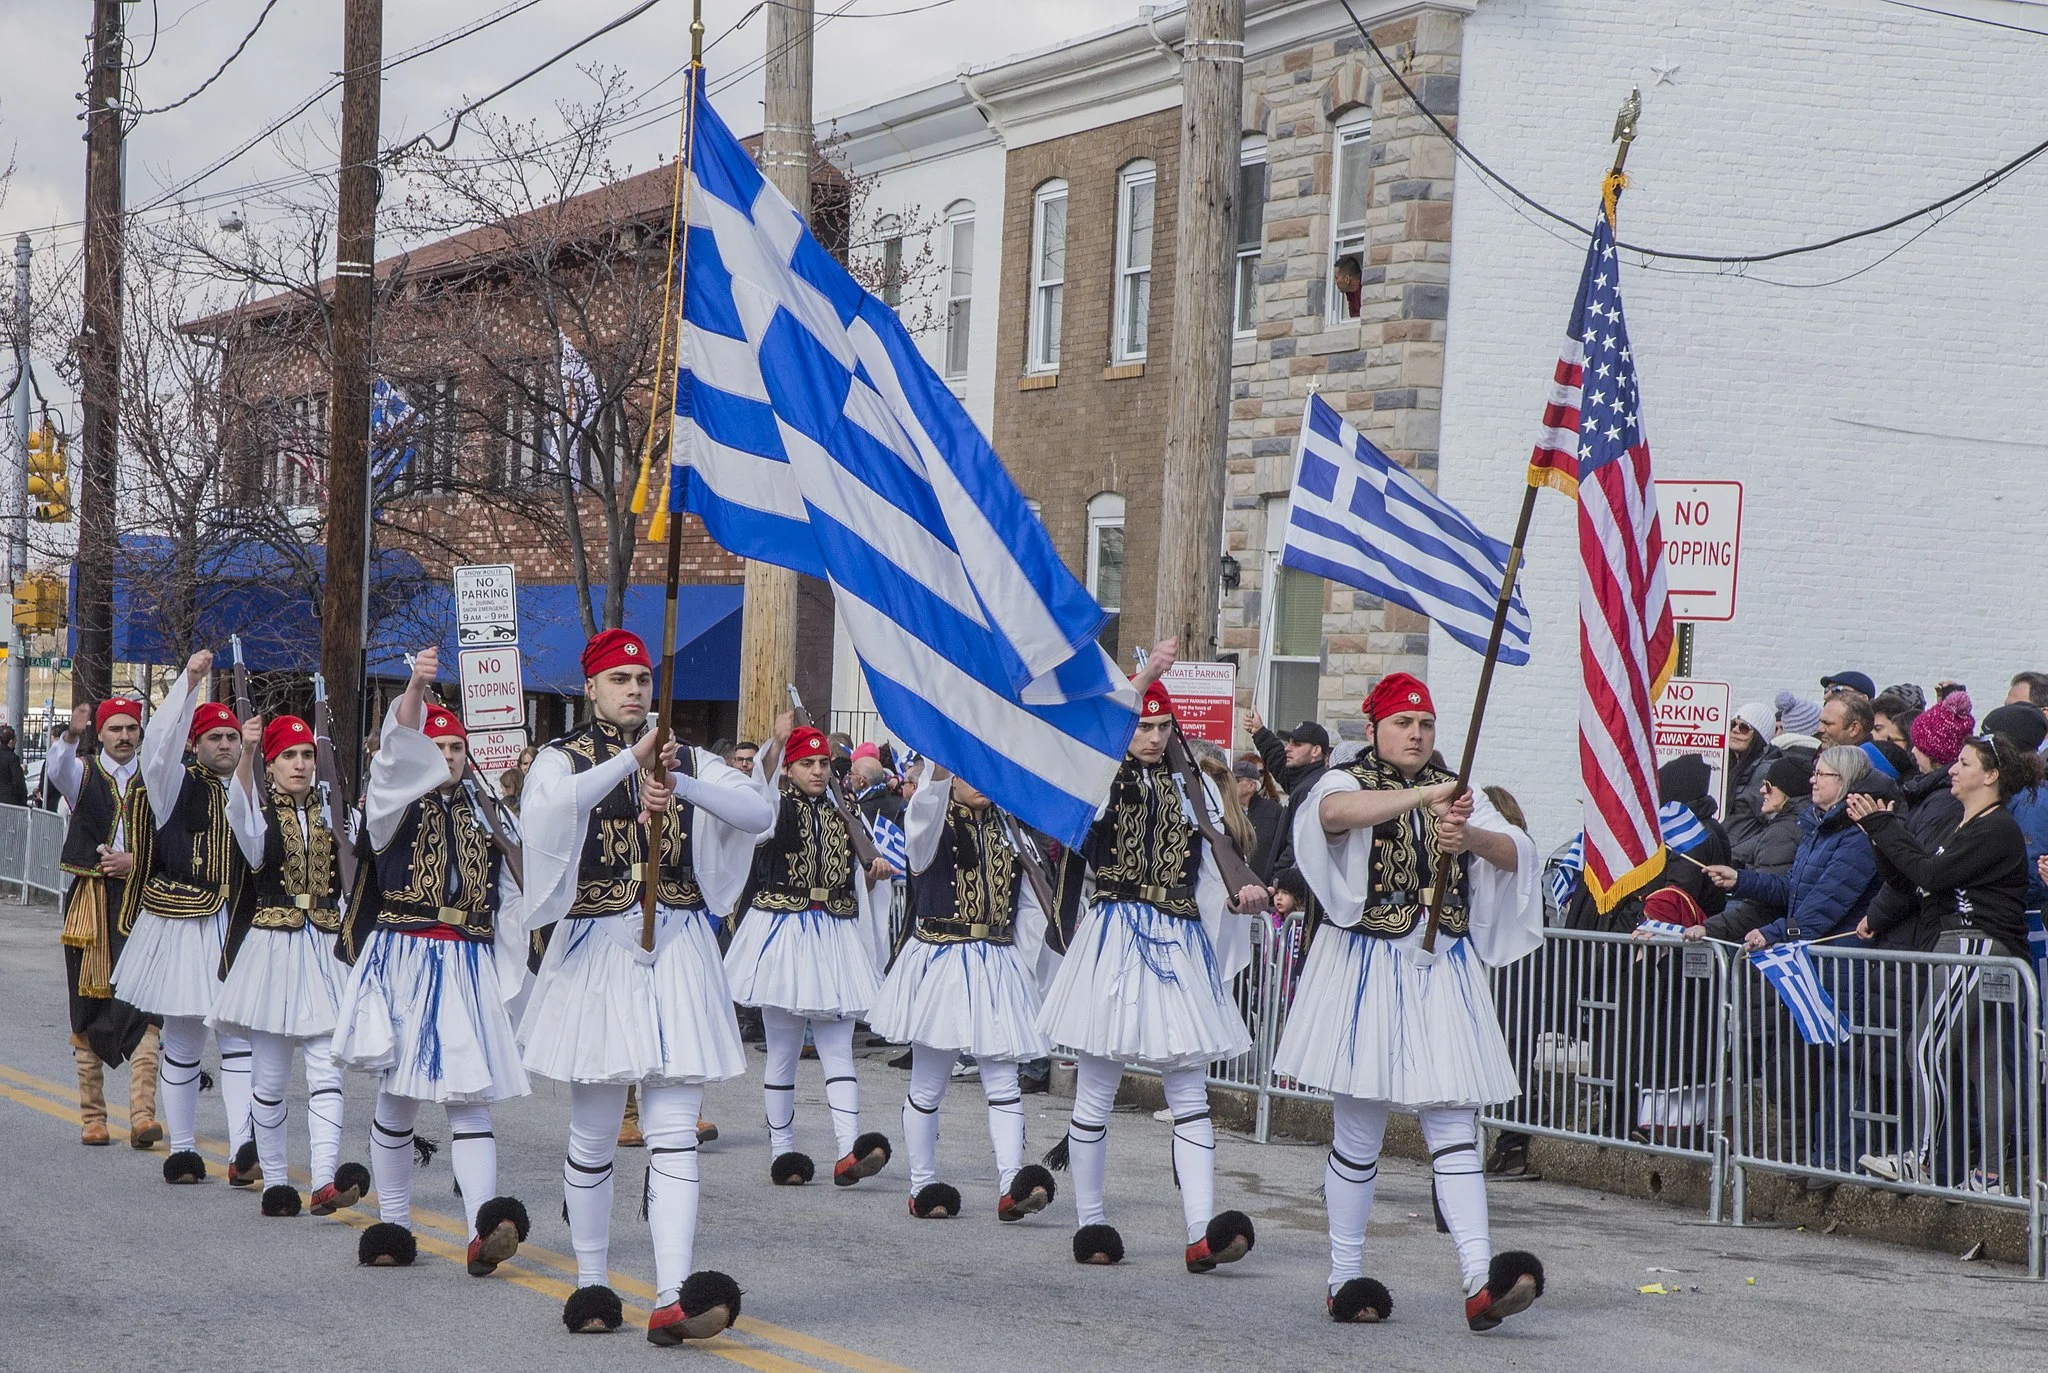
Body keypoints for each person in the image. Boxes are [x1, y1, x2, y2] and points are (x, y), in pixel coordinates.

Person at [516, 629, 768, 1343]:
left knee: (673, 1135)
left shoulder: (690, 758)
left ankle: (672, 1294)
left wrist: (679, 780)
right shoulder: (561, 759)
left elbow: (759, 812)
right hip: (598, 948)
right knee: (595, 1131)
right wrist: (629, 759)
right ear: (591, 687)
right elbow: (544, 811)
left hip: (680, 946)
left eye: (641, 678)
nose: (633, 688)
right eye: (618, 678)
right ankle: (592, 1281)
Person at [1276, 672, 1544, 1330]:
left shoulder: (1459, 792)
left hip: (1441, 963)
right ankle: (1344, 1274)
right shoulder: (1347, 776)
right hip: (1367, 958)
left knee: (1455, 1120)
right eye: (1403, 723)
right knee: (1359, 1129)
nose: (1417, 734)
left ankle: (1480, 1277)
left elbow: (1519, 850)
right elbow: (1333, 817)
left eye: (1425, 724)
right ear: (1375, 729)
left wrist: (1470, 837)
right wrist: (1426, 794)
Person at [1038, 640, 1266, 1275]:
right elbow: (1088, 740)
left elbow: (1214, 860)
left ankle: (1201, 1230)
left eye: (1164, 726)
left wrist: (1241, 891)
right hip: (1115, 930)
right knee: (1097, 1090)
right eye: (1144, 724)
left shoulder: (1191, 789)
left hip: (1177, 935)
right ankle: (1090, 1223)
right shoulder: (1100, 776)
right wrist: (1143, 681)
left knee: (1189, 1090)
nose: (1154, 735)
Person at [331, 647, 532, 1274]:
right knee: (399, 1095)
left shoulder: (483, 812)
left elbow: (523, 884)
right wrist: (417, 689)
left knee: (471, 1099)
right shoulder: (393, 803)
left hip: (465, 960)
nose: (448, 758)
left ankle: (482, 1228)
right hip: (408, 955)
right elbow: (395, 750)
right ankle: (392, 1225)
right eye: (439, 748)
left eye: (457, 749)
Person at [868, 760, 1061, 1225]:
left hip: (995, 957)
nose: (985, 780)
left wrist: (1033, 966)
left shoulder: (1010, 828)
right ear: (952, 774)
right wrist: (940, 755)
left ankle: (1012, 1184)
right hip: (941, 957)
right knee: (929, 1083)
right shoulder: (932, 818)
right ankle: (921, 1185)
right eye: (974, 769)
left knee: (1003, 1079)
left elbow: (1032, 901)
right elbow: (922, 815)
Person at [1850, 732, 2039, 1188]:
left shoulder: (1996, 828)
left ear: (1991, 776)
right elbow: (1914, 882)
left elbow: (1932, 874)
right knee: (1985, 1064)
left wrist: (1886, 828)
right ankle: (1989, 1174)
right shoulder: (1968, 826)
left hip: (1973, 947)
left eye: (1965, 764)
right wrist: (1878, 834)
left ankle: (1924, 1157)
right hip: (1967, 949)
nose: (1952, 769)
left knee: (1926, 1047)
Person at [109, 651, 259, 1187]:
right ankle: (186, 1149)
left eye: (231, 738)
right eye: (213, 738)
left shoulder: (250, 785)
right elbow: (159, 746)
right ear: (195, 744)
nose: (224, 744)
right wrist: (190, 684)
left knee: (240, 1038)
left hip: (239, 925)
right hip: (185, 919)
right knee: (186, 1036)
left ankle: (245, 1149)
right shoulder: (172, 782)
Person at [724, 715, 894, 1188]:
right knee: (782, 1050)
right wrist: (774, 748)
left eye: (823, 763)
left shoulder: (847, 807)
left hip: (835, 933)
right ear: (790, 769)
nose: (818, 770)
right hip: (783, 933)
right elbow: (754, 814)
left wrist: (873, 870)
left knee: (838, 1048)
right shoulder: (776, 805)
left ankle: (849, 1150)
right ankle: (784, 1152)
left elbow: (863, 859)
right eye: (807, 763)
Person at [210, 713, 368, 1219]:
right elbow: (239, 815)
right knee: (271, 1080)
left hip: (323, 949)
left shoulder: (333, 819)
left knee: (328, 1070)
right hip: (274, 949)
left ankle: (323, 1178)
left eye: (305, 755)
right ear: (273, 766)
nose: (300, 764)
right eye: (289, 757)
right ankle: (276, 1180)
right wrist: (249, 753)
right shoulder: (259, 813)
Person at [46, 699, 161, 1149]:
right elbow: (57, 768)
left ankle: (142, 1116)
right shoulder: (83, 771)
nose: (124, 736)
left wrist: (136, 861)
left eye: (131, 728)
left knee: (146, 1005)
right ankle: (93, 1118)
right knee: (87, 1000)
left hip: (142, 899)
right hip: (91, 901)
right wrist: (70, 735)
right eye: (115, 728)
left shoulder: (155, 776)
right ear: (102, 733)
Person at [1703, 746, 1879, 950]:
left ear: (1844, 779)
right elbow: (1792, 888)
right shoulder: (1819, 828)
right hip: (1817, 953)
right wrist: (1740, 880)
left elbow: (1827, 902)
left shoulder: (1857, 834)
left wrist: (1776, 932)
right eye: (1814, 773)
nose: (1813, 780)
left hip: (1839, 960)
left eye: (1821, 774)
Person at [1721, 702, 1777, 848]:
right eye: (1733, 724)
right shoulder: (1729, 766)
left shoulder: (1765, 772)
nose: (1735, 730)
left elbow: (1772, 825)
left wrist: (1738, 855)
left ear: (1759, 736)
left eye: (1744, 728)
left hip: (1738, 861)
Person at [1233, 757, 1285, 879]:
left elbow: (1284, 848)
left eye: (1236, 780)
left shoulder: (1274, 811)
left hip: (1264, 884)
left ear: (1251, 786)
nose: (1231, 784)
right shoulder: (1226, 811)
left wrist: (1273, 877)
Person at [0, 723, 29, 807]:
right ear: (11, 741)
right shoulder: (13, 758)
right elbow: (18, 780)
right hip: (9, 800)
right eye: (15, 738)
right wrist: (23, 799)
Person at [1333, 253, 1364, 319]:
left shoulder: (1365, 288)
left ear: (1347, 279)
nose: (1335, 282)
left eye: (1336, 278)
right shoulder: (1350, 292)